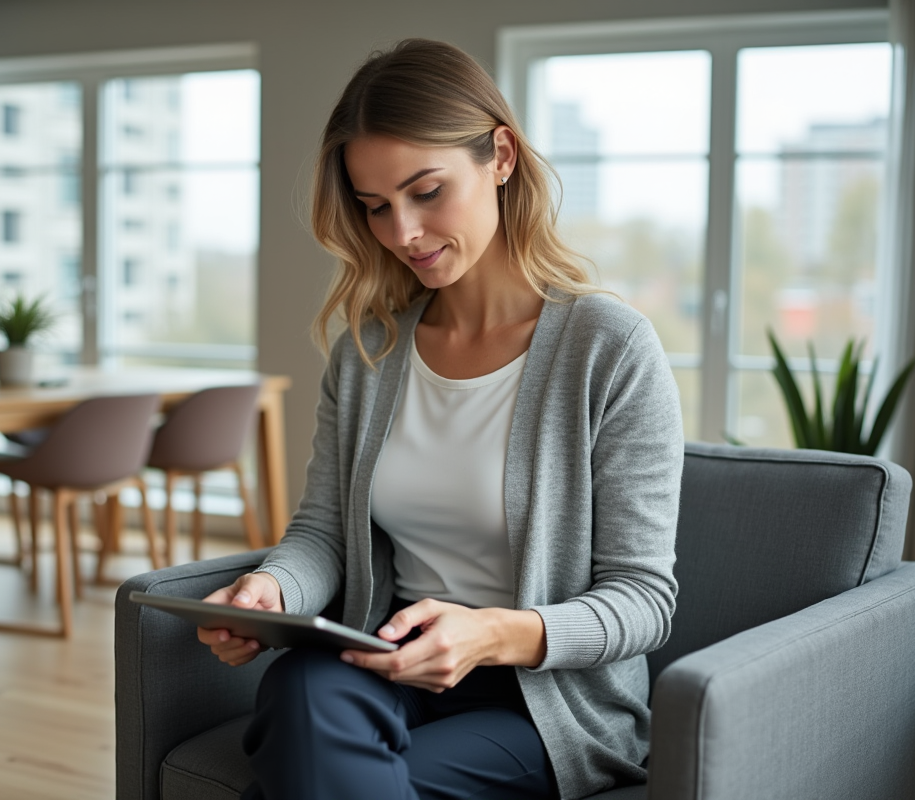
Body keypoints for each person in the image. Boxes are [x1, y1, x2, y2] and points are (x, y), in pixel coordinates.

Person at [197, 38, 683, 800]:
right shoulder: (368, 352)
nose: (402, 233)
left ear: (500, 156)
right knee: (298, 688)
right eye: (375, 207)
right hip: (386, 657)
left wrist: (491, 632)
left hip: (541, 697)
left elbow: (643, 599)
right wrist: (273, 591)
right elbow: (322, 533)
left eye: (426, 192)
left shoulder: (609, 348)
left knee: (322, 777)